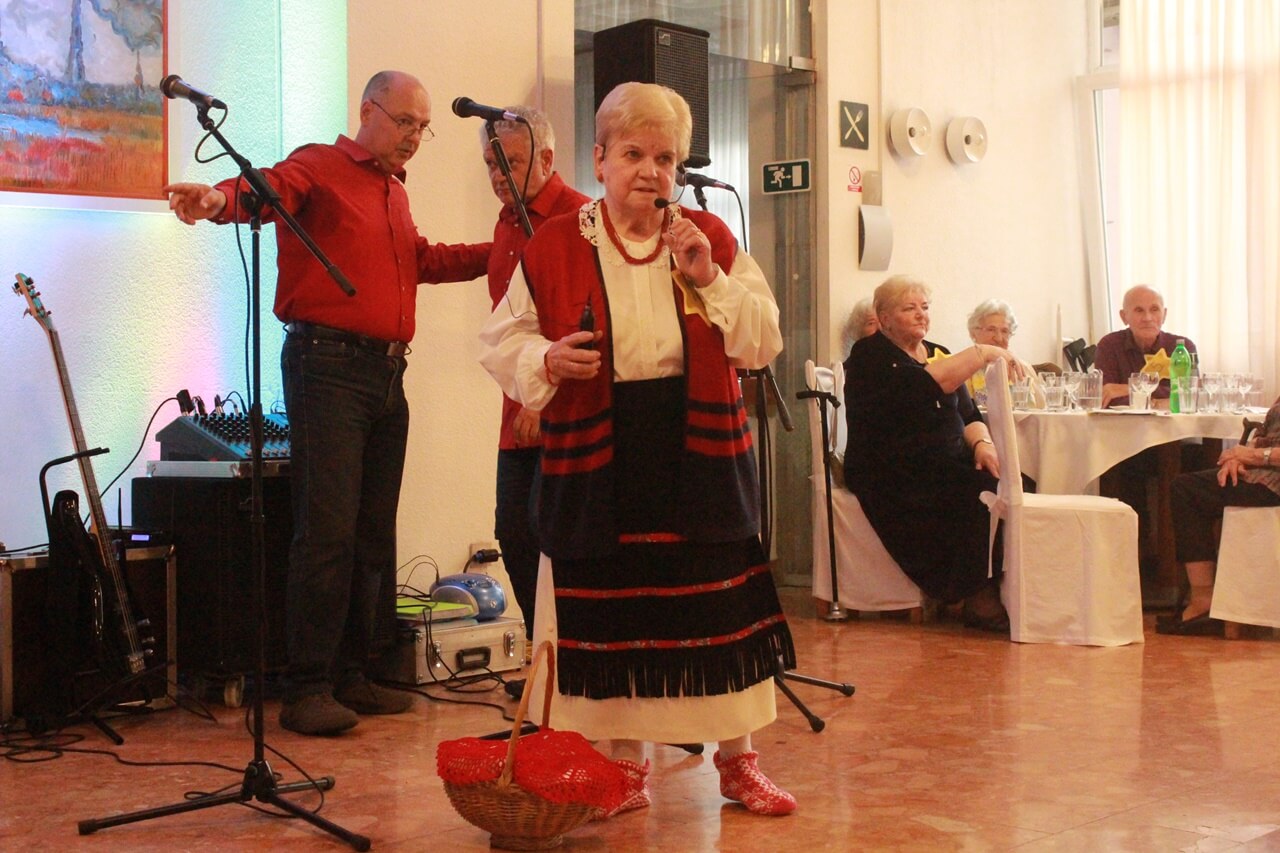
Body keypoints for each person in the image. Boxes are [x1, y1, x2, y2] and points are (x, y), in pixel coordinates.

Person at [479, 81, 798, 817]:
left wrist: (709, 278)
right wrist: (546, 358)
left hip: (697, 447)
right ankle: (623, 767)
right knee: (614, 616)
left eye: (665, 158)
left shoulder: (709, 238)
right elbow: (501, 340)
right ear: (599, 159)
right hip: (602, 447)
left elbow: (762, 340)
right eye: (633, 154)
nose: (651, 171)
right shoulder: (557, 243)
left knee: (718, 609)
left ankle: (738, 761)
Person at [164, 70, 491, 736]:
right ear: (369, 111)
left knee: (373, 533)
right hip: (328, 368)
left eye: (423, 128)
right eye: (406, 122)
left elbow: (422, 260)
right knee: (328, 531)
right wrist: (218, 200)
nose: (415, 137)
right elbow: (267, 191)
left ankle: (352, 673)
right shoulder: (319, 164)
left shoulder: (394, 193)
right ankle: (306, 685)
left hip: (388, 374)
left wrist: (500, 251)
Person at [478, 105, 589, 690]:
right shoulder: (506, 225)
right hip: (515, 407)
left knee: (560, 535)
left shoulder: (579, 219)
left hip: (561, 407)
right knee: (514, 532)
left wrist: (539, 400)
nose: (500, 176)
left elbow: (577, 320)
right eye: (491, 165)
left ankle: (576, 663)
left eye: (512, 163)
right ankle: (546, 657)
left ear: (546, 158)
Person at [842, 276, 1024, 631]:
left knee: (1013, 482)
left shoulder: (937, 351)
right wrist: (981, 353)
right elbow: (924, 384)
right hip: (892, 468)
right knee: (978, 494)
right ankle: (974, 595)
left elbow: (968, 413)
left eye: (924, 307)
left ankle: (1009, 589)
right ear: (884, 317)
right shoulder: (869, 355)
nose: (921, 315)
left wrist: (983, 445)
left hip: (942, 460)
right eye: (909, 308)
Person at [1159, 397, 1280, 635]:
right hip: (1264, 474)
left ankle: (1203, 598)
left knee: (1186, 490)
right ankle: (1208, 597)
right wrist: (1236, 458)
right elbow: (1267, 434)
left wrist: (1252, 457)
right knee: (1194, 484)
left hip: (1273, 484)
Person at [1095, 285, 1197, 407]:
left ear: (1164, 315)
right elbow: (1107, 398)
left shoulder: (1182, 348)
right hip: (1124, 420)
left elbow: (1190, 396)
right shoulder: (1109, 345)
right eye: (1139, 310)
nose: (1147, 318)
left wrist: (1130, 388)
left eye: (1154, 309)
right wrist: (1159, 401)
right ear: (1124, 316)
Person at [963, 299, 1046, 408]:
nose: (998, 338)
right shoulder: (965, 371)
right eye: (991, 329)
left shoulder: (1022, 368)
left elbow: (1043, 411)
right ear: (973, 333)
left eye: (1004, 331)